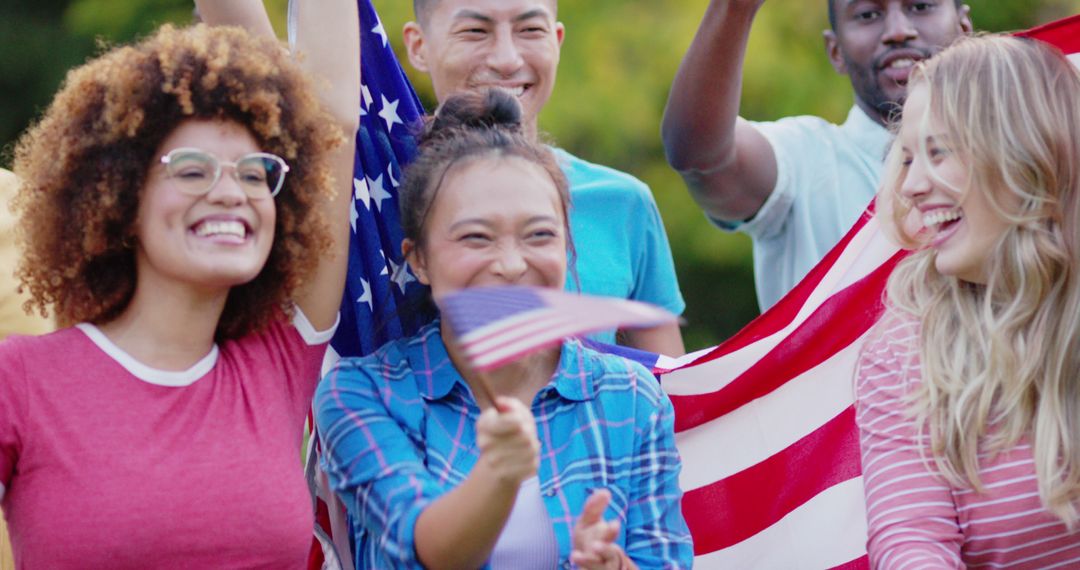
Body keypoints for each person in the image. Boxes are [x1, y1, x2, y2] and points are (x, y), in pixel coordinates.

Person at [0, 0, 360, 565]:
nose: (230, 192)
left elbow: (333, 121)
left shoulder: (279, 359)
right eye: (192, 170)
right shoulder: (18, 379)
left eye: (254, 172)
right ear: (120, 197)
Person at [315, 89, 693, 569]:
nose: (512, 265)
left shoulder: (633, 398)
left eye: (539, 235)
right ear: (420, 260)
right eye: (476, 237)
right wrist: (500, 473)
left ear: (568, 249)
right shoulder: (362, 393)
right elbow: (425, 547)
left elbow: (665, 559)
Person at [856, 34, 1080, 567]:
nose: (908, 186)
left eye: (938, 151)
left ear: (1025, 154)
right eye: (906, 158)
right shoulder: (902, 357)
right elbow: (911, 545)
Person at [401, 0, 686, 355]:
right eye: (475, 31)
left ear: (557, 40)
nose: (507, 59)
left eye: (530, 30)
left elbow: (673, 390)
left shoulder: (622, 202)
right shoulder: (379, 201)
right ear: (418, 46)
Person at [661, 0, 972, 310]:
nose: (898, 31)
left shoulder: (1012, 155)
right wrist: (735, 7)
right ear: (835, 51)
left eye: (920, 6)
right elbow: (700, 157)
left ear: (964, 27)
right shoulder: (804, 158)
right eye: (868, 14)